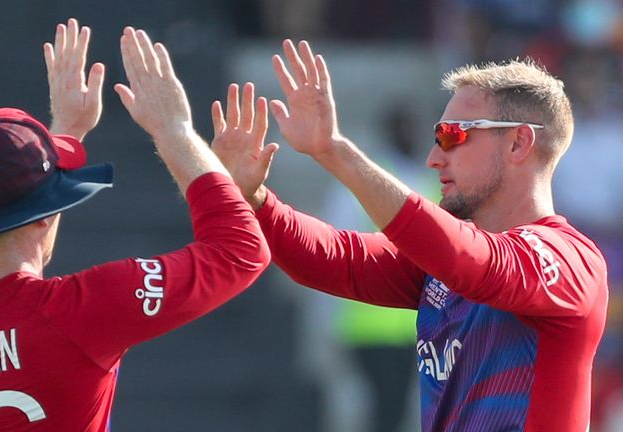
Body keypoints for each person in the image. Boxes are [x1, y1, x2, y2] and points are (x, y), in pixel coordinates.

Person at [0, 20, 270, 431]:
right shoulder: (83, 313)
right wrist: (174, 131)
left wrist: (65, 135)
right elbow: (241, 251)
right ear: (45, 216)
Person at [211, 40, 608, 431]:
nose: (434, 157)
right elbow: (334, 259)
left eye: (453, 135)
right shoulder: (450, 265)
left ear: (519, 142)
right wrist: (255, 198)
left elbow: (477, 262)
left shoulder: (569, 259)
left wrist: (334, 151)